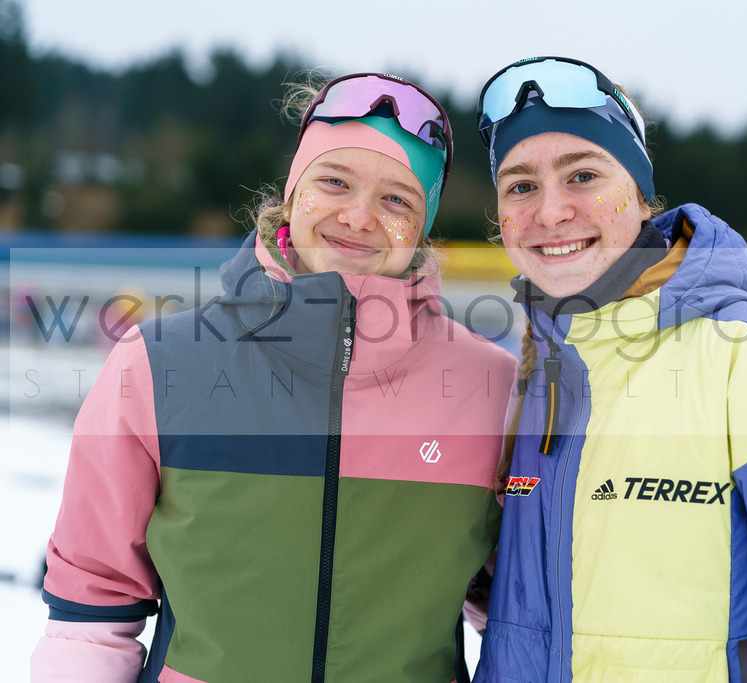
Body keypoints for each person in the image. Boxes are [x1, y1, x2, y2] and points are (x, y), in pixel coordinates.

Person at [31, 72, 516, 682]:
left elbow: (517, 613)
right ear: (293, 193)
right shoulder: (158, 363)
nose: (358, 217)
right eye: (334, 182)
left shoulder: (493, 388)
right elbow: (92, 612)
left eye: (397, 200)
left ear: (423, 225)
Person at [472, 56, 747, 681]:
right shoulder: (529, 377)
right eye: (520, 186)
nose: (551, 212)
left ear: (639, 194)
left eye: (583, 175)